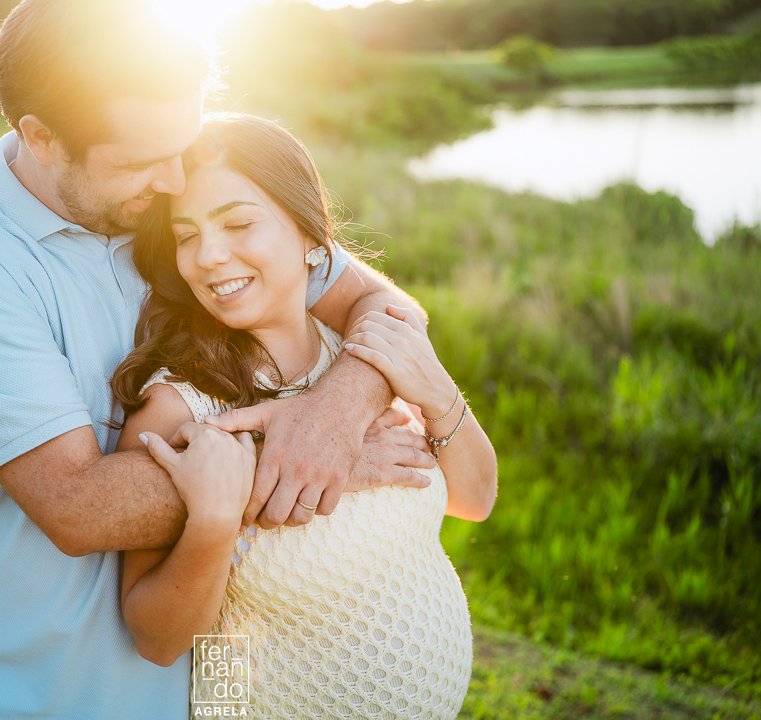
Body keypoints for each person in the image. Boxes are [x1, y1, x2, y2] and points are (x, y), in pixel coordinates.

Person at [0, 1, 439, 717]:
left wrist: (334, 416)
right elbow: (78, 506)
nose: (175, 181)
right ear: (41, 136)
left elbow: (389, 310)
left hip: (218, 677)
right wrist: (306, 464)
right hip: (54, 685)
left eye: (177, 147)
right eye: (140, 161)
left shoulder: (184, 206)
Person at [112, 114, 497, 719]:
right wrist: (216, 520)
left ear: (313, 237)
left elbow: (473, 499)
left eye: (238, 223)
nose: (209, 257)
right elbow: (158, 642)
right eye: (187, 236)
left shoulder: (364, 361)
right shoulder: (180, 407)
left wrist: (439, 392)